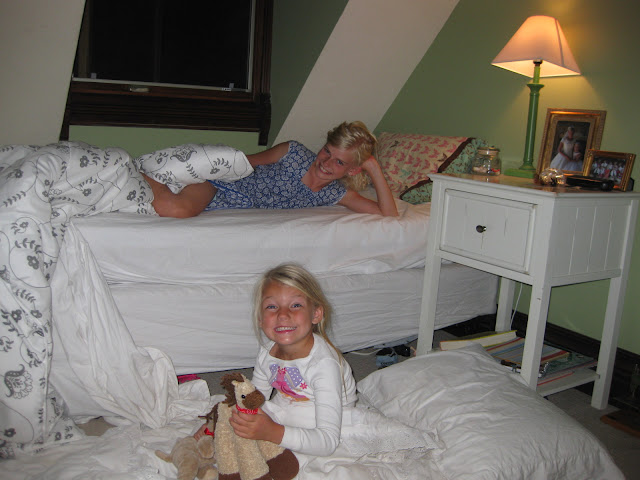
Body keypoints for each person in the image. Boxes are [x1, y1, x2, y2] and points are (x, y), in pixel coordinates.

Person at [195, 263, 357, 457]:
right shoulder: (267, 352)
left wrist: (272, 432)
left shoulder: (324, 365)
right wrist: (221, 423)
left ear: (316, 314)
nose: (282, 314)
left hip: (331, 422)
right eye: (272, 307)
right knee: (233, 416)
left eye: (295, 305)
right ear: (260, 319)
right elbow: (254, 399)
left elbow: (328, 442)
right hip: (287, 406)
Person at [145, 121, 398, 218]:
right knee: (177, 209)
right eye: (327, 151)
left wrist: (373, 166)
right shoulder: (293, 153)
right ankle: (140, 171)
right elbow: (241, 162)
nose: (326, 162)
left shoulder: (333, 194)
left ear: (353, 171)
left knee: (164, 209)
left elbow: (388, 214)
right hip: (219, 185)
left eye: (339, 162)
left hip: (226, 204)